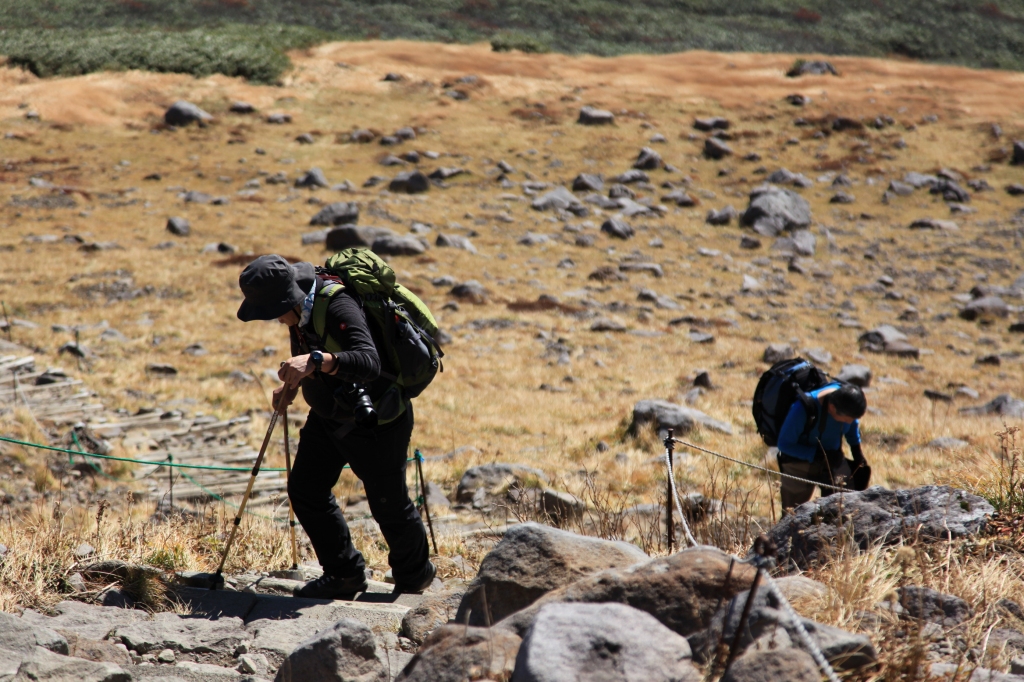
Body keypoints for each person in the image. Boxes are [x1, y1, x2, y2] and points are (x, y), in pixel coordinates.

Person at [236, 255, 434, 599]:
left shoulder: (338, 304)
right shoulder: (300, 310)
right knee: (305, 489)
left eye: (275, 311)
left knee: (388, 503)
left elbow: (369, 362)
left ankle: (415, 577)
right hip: (329, 413)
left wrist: (316, 362)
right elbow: (305, 350)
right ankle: (344, 574)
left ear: (290, 298)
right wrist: (291, 387)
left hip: (377, 420)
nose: (276, 319)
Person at [776, 382, 867, 511]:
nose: (850, 422)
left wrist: (857, 452)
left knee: (843, 508)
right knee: (792, 513)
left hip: (833, 460)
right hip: (799, 463)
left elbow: (852, 425)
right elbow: (784, 444)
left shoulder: (847, 403)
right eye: (847, 419)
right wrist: (817, 455)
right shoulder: (802, 408)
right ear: (831, 407)